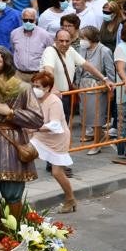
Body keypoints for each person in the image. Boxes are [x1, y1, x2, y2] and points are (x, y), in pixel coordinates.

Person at [0, 46, 44, 229]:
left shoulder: (22, 87)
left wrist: (11, 112)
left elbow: (37, 119)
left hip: (10, 145)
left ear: (6, 63)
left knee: (12, 193)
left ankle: (15, 235)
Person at [27, 71, 76, 213]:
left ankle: (70, 199)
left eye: (38, 86)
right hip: (40, 136)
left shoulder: (54, 101)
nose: (35, 88)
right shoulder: (35, 99)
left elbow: (55, 125)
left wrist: (33, 128)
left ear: (47, 88)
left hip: (57, 139)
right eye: (33, 85)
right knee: (25, 155)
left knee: (57, 172)